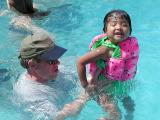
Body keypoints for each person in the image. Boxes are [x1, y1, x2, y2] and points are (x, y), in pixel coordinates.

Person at [76, 9, 139, 120]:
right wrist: (85, 85)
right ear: (105, 30)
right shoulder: (105, 49)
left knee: (130, 105)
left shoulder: (128, 46)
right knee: (115, 115)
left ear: (130, 30)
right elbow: (80, 62)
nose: (119, 27)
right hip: (102, 88)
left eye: (124, 25)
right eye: (113, 24)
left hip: (117, 85)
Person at [12, 32, 88, 120]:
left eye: (56, 57)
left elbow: (84, 69)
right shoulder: (30, 96)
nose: (58, 62)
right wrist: (83, 98)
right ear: (32, 64)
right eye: (51, 61)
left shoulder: (52, 70)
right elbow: (57, 117)